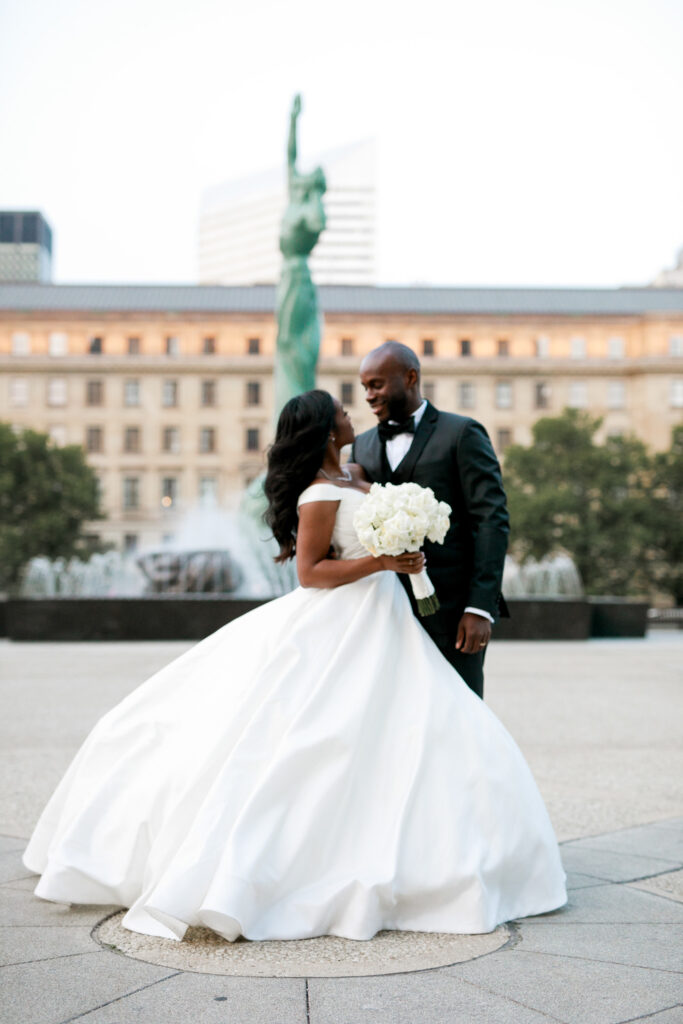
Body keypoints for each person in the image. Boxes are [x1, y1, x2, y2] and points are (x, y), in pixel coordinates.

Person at [23, 390, 566, 943]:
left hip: (388, 614)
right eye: (343, 412)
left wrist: (403, 552)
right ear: (327, 430)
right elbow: (310, 571)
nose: (354, 413)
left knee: (417, 728)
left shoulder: (357, 472)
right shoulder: (317, 492)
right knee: (321, 736)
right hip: (344, 618)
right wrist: (381, 559)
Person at [352, 341, 509, 698]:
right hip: (384, 612)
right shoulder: (361, 446)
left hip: (455, 614)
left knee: (460, 714)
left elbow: (491, 519)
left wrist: (480, 607)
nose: (368, 395)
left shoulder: (462, 433)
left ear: (410, 378)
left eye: (376, 384)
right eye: (365, 387)